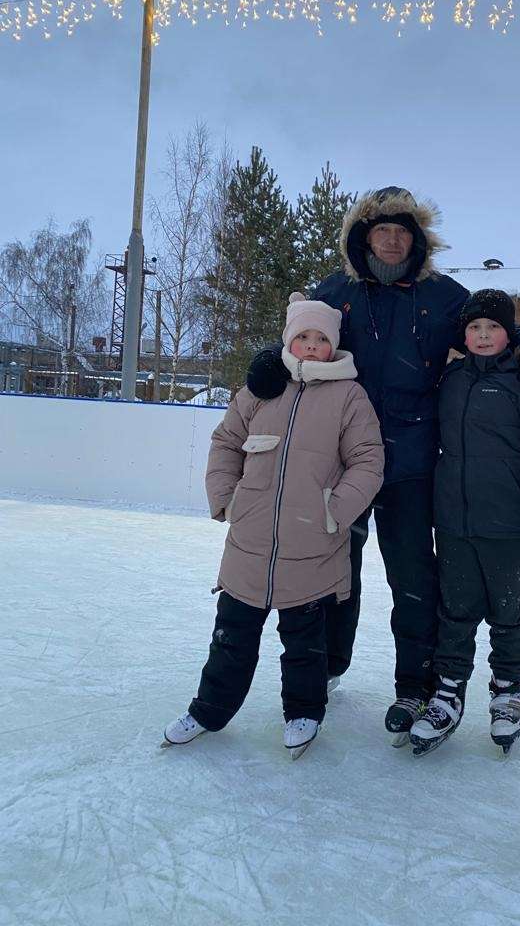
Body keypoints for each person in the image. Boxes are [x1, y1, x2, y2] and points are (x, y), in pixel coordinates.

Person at [246, 187, 520, 742]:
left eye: (402, 232)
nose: (392, 241)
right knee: (332, 569)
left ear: (418, 241)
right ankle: (328, 665)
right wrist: (271, 356)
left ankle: (415, 685)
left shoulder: (442, 296)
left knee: (413, 576)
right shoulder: (337, 291)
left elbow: (493, 322)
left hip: (410, 463)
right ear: (363, 237)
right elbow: (302, 334)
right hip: (341, 460)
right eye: (381, 231)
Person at [163, 293, 384, 756]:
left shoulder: (349, 396)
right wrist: (227, 499)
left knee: (305, 643)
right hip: (250, 539)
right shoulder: (262, 387)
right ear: (288, 340)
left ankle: (304, 712)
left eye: (321, 338)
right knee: (231, 636)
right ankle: (208, 710)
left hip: (312, 542)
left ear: (334, 346)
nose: (311, 345)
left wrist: (335, 512)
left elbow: (367, 461)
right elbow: (226, 442)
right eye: (302, 336)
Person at [409, 289, 520, 756]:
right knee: (455, 612)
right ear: (463, 335)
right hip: (454, 523)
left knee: (509, 613)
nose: (483, 336)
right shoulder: (451, 379)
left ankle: (507, 690)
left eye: (494, 327)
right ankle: (448, 692)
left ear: (510, 333)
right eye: (475, 328)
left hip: (509, 524)